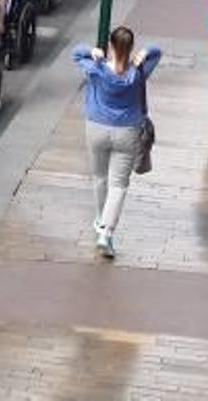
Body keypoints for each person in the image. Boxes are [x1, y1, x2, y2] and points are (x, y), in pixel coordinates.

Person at [72, 27, 162, 258]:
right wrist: (144, 52)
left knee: (100, 178)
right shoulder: (138, 72)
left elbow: (76, 53)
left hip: (96, 127)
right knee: (119, 184)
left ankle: (100, 220)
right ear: (130, 47)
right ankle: (107, 232)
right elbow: (157, 52)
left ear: (111, 46)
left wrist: (91, 50)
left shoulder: (96, 69)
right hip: (127, 131)